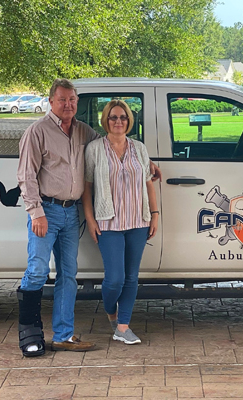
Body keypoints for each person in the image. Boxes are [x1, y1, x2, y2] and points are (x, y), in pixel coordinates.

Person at [16, 79, 161, 357]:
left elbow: (115, 146)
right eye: (62, 100)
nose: (68, 105)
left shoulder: (84, 132)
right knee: (36, 271)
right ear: (51, 101)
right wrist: (36, 212)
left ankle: (63, 336)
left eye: (72, 100)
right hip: (45, 211)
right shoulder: (37, 132)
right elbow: (25, 176)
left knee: (68, 275)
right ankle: (30, 334)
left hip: (71, 213)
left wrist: (150, 163)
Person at [81, 100, 159, 345]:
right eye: (113, 117)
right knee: (114, 278)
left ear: (129, 120)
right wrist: (90, 219)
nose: (118, 121)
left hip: (138, 220)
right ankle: (111, 313)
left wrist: (154, 214)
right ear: (106, 120)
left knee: (131, 277)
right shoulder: (95, 149)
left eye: (123, 117)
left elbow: (148, 181)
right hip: (108, 222)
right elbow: (87, 187)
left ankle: (123, 327)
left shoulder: (139, 148)